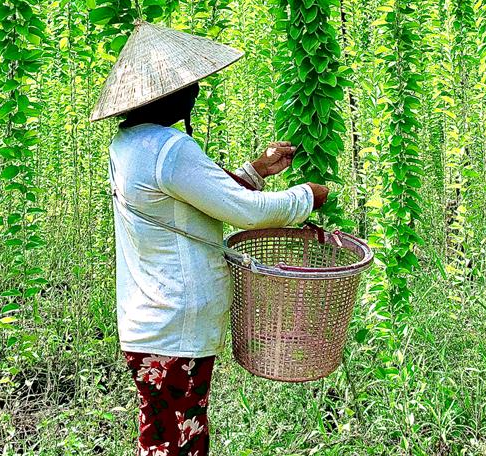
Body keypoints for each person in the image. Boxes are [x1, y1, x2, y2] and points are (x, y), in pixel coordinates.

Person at [90, 23, 329, 456]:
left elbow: (194, 199)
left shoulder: (128, 144)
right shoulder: (169, 147)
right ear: (167, 94)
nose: (196, 91)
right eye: (190, 84)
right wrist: (305, 198)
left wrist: (256, 171)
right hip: (174, 324)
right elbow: (244, 212)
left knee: (168, 437)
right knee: (178, 443)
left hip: (149, 322)